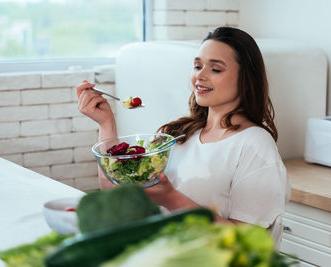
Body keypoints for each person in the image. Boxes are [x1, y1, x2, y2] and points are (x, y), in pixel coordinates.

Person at [76, 27, 290, 233]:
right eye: (197, 66)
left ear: (246, 79)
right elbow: (116, 191)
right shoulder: (178, 134)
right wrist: (106, 124)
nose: (200, 76)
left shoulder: (255, 144)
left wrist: (170, 198)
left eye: (215, 69)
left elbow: (247, 241)